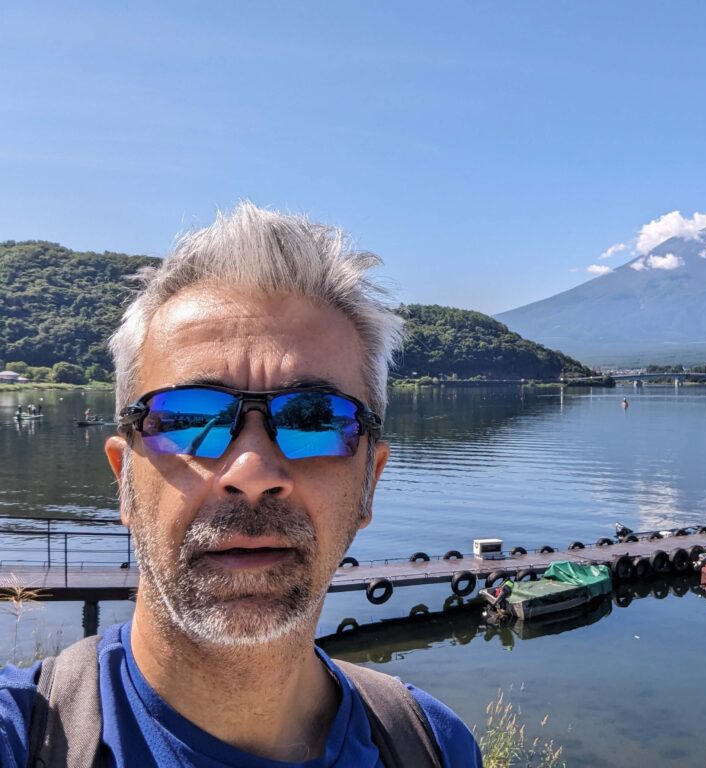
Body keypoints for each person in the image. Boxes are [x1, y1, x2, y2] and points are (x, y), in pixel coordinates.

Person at [0, 203, 482, 767]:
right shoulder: (26, 736)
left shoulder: (433, 747)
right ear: (124, 479)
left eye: (315, 419)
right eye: (187, 418)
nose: (251, 473)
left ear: (369, 483)